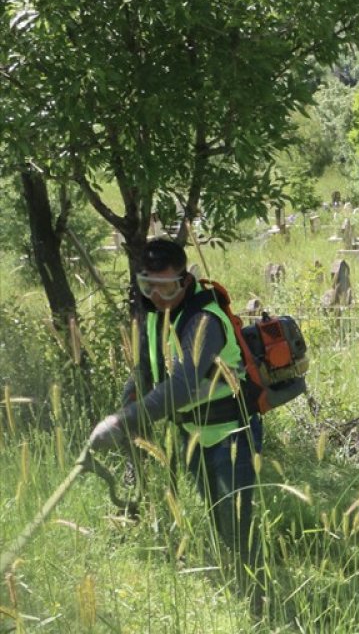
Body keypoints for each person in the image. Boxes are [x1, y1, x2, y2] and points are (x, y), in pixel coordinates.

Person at [88, 239, 265, 613]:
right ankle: (235, 591)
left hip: (231, 437)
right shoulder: (154, 314)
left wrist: (121, 422)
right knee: (218, 518)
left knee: (236, 524)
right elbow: (148, 371)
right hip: (194, 435)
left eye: (166, 287)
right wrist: (130, 399)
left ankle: (255, 603)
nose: (157, 295)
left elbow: (184, 385)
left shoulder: (205, 320)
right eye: (147, 286)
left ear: (185, 281)